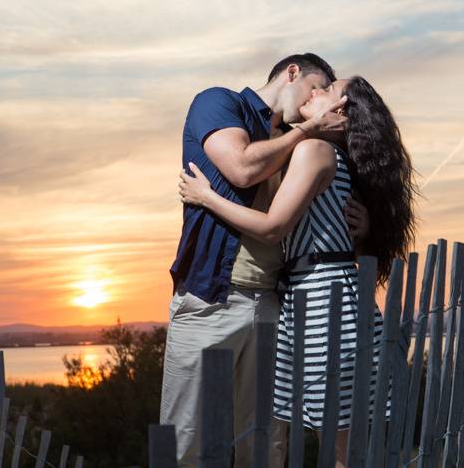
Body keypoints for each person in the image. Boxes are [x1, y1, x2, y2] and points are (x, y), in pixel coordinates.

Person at [178, 75, 418, 467]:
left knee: (339, 446)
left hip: (323, 303)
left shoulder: (315, 151)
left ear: (340, 111)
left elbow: (273, 227)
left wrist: (207, 197)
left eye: (328, 90)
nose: (315, 92)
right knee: (344, 440)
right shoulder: (335, 158)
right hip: (325, 296)